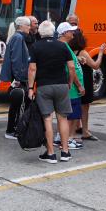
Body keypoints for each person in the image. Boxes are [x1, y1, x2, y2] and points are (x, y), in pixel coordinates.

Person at [28, 20, 79, 164]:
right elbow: (71, 67)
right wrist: (69, 82)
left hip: (44, 86)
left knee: (47, 119)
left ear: (40, 33)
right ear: (54, 32)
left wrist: (31, 88)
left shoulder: (35, 47)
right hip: (62, 85)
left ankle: (50, 153)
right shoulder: (62, 46)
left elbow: (32, 69)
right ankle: (65, 151)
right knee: (62, 118)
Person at [0, 16, 31, 139]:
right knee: (16, 106)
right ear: (21, 26)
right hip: (18, 78)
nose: (29, 27)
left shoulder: (16, 37)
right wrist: (18, 78)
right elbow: (17, 60)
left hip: (16, 77)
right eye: (27, 25)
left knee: (16, 105)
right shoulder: (18, 38)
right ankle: (11, 130)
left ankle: (12, 129)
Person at [56, 22, 86, 151]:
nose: (73, 33)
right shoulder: (64, 47)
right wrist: (79, 85)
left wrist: (78, 59)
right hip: (72, 89)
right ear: (64, 33)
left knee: (72, 115)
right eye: (70, 31)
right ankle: (67, 139)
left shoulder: (65, 46)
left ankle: (65, 138)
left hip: (71, 88)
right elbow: (70, 69)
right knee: (72, 116)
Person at [74, 30, 105, 142]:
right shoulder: (82, 53)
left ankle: (77, 126)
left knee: (76, 104)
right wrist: (101, 52)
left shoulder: (72, 51)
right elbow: (95, 66)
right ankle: (85, 131)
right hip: (85, 82)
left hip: (75, 81)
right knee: (85, 107)